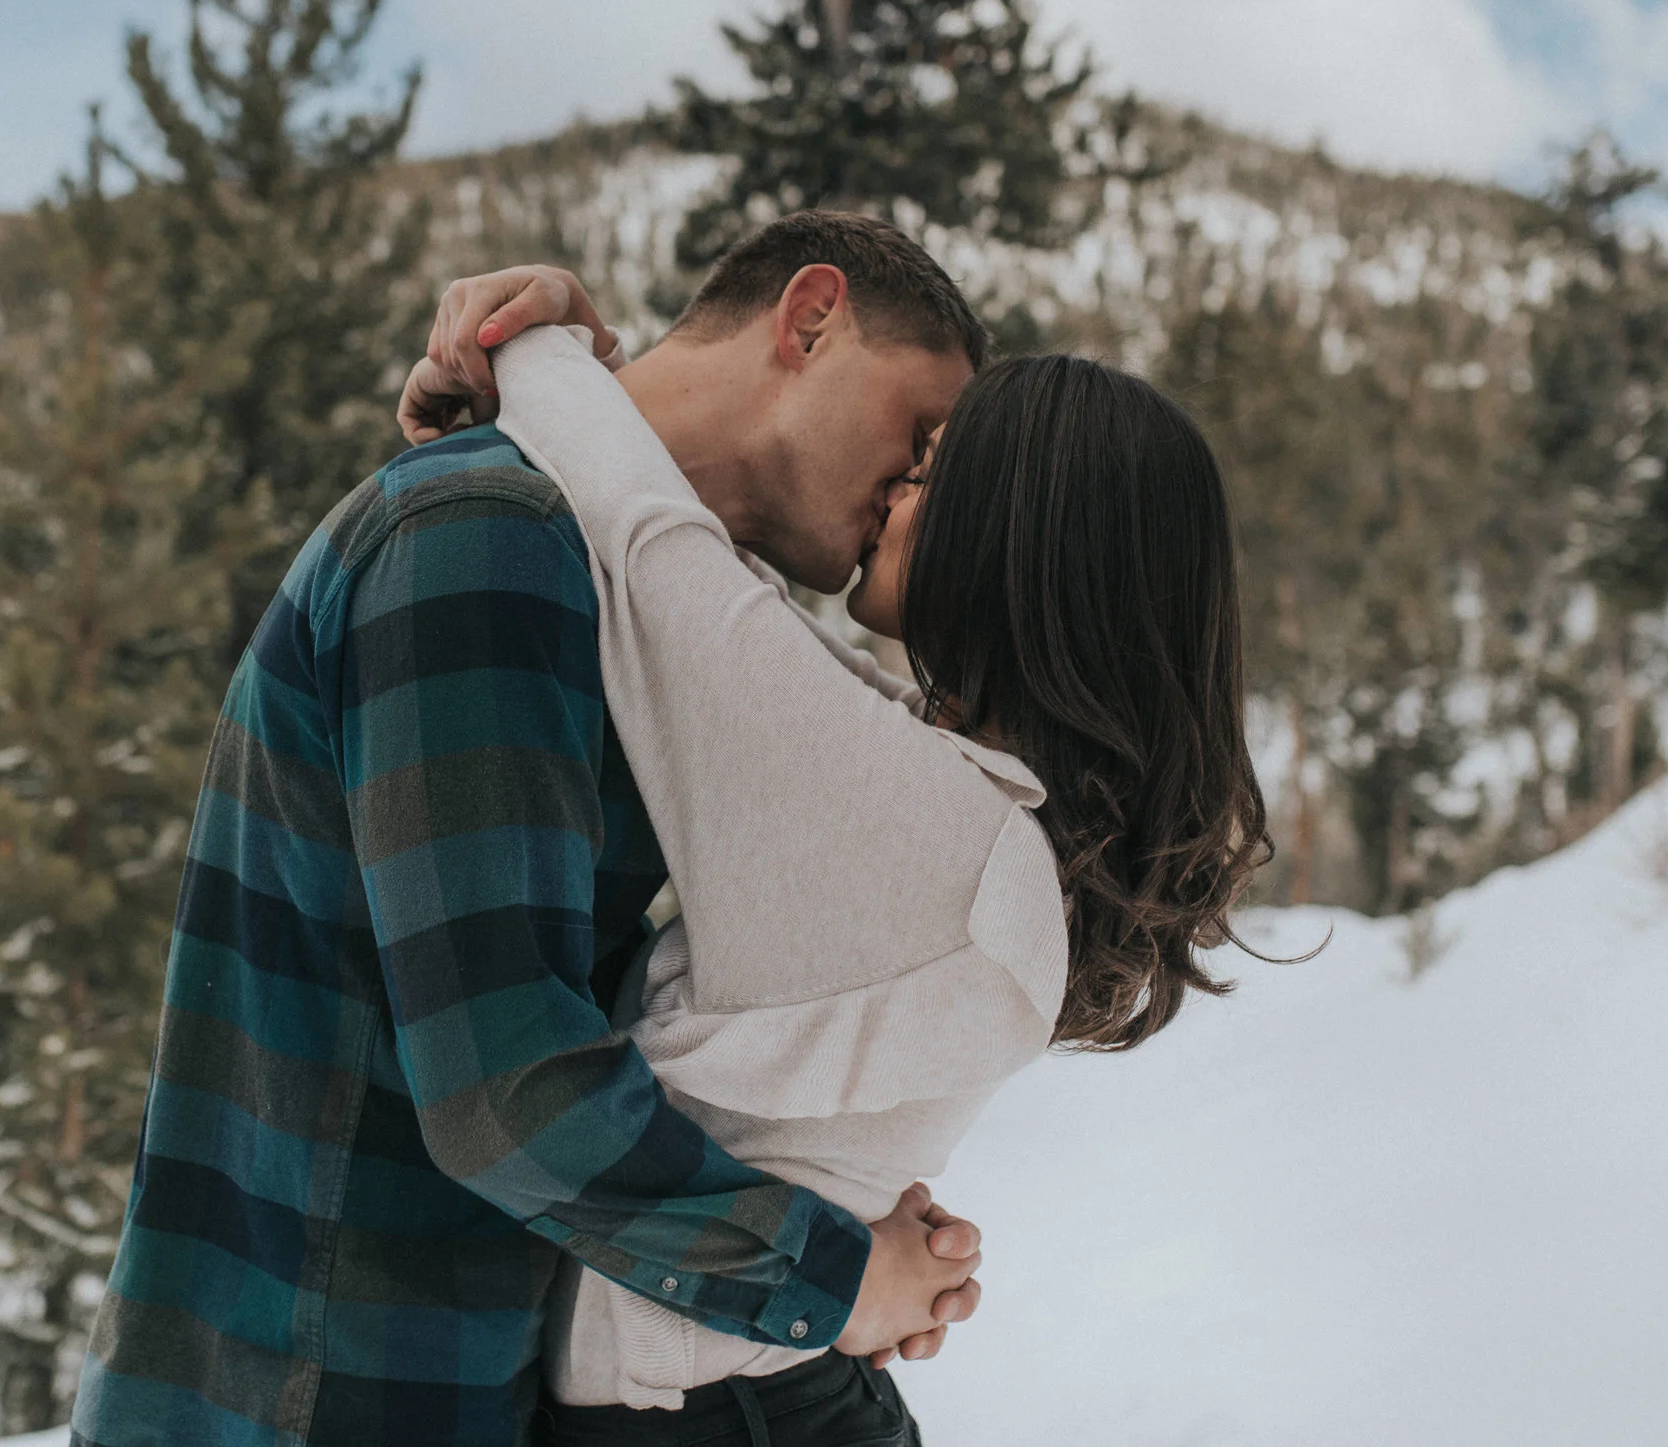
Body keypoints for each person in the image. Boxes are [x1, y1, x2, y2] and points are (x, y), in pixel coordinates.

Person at [70, 214, 993, 1447]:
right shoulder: (482, 537)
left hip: (426, 1371)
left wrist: (826, 1206)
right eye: (922, 432)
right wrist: (825, 1278)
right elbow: (505, 1081)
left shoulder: (612, 596)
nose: (915, 482)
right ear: (812, 316)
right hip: (302, 1387)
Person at [397, 236, 1268, 1446]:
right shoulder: (960, 799)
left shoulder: (931, 829)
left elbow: (660, 561)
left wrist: (535, 342)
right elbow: (735, 612)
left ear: (1026, 537)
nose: (899, 487)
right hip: (740, 1396)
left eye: (935, 467)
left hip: (723, 1413)